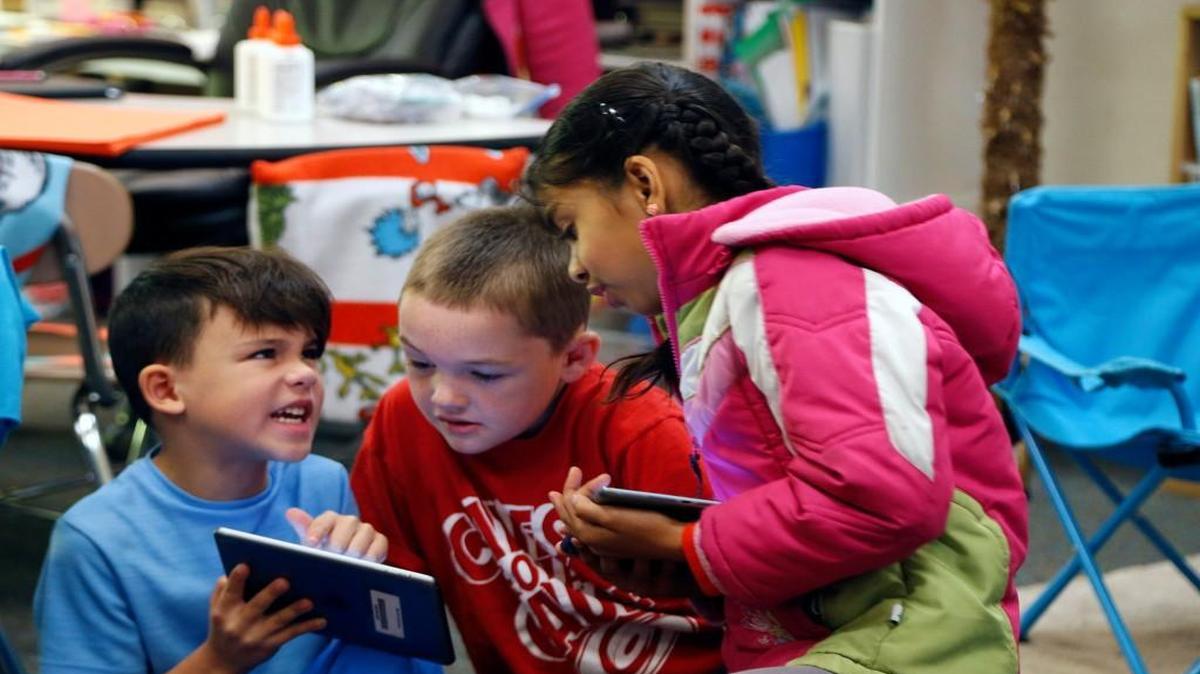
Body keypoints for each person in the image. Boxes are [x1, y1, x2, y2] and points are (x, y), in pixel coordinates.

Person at [529, 62, 1030, 673]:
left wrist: (687, 541)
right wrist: (679, 562)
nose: (576, 268)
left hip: (911, 634)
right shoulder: (729, 300)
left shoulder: (790, 284)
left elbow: (880, 499)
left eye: (572, 228)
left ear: (643, 183)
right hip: (832, 628)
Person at [350, 205, 725, 674]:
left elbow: (748, 599)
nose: (443, 398)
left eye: (484, 374)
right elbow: (391, 600)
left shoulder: (645, 432)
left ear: (574, 357)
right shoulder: (404, 419)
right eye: (420, 363)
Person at [34, 247, 437, 674]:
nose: (305, 373)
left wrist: (374, 578)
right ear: (166, 390)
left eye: (310, 351)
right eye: (265, 353)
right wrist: (219, 661)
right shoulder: (95, 539)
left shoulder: (325, 482)